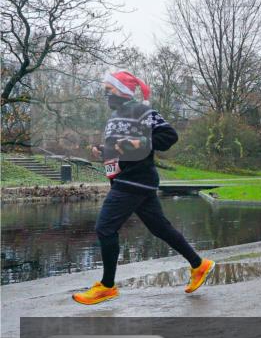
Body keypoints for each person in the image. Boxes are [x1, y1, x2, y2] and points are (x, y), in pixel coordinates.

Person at [72, 71, 215, 305]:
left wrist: (142, 142)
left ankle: (107, 286)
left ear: (122, 91)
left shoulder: (141, 111)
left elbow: (169, 136)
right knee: (161, 228)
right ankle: (199, 265)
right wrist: (103, 150)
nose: (105, 94)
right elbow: (122, 148)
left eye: (109, 89)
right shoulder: (115, 116)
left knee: (105, 228)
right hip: (129, 180)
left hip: (134, 181)